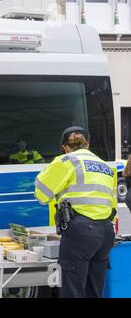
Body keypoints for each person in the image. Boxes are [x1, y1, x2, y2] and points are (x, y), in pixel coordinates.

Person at [34, 126, 116, 298]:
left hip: (80, 232)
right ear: (87, 144)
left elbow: (42, 195)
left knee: (72, 288)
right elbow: (112, 204)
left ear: (65, 146)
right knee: (95, 290)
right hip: (105, 232)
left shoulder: (66, 161)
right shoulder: (105, 165)